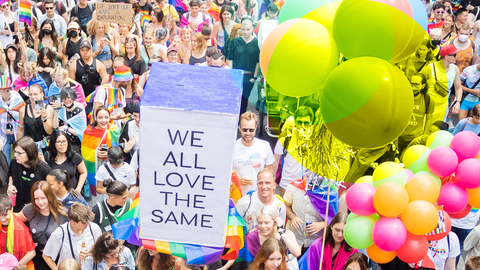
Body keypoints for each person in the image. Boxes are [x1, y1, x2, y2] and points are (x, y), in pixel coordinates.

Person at [16, 181, 69, 270]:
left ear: (50, 196)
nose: (40, 202)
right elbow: (12, 219)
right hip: (37, 259)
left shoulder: (62, 214)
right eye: (36, 198)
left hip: (56, 258)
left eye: (43, 198)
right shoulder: (30, 210)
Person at [42, 203, 102, 269]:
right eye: (84, 222)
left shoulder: (94, 228)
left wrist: (91, 253)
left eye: (88, 221)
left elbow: (102, 251)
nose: (88, 224)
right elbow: (47, 256)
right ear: (73, 222)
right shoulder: (60, 233)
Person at [273, 106, 315, 196]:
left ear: (311, 123)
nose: (303, 126)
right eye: (300, 122)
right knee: (284, 210)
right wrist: (271, 183)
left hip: (306, 187)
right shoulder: (285, 137)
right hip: (286, 186)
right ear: (295, 122)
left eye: (306, 123)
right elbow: (275, 161)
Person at [81, 106, 121, 198]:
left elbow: (119, 149)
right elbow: (84, 152)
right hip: (96, 168)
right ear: (95, 117)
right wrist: (95, 154)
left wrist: (110, 154)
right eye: (100, 118)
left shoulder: (115, 130)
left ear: (109, 117)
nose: (103, 120)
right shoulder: (88, 131)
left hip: (112, 167)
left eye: (106, 117)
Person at [284, 176, 327, 257]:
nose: (315, 176)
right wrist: (292, 216)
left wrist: (323, 224)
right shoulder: (293, 187)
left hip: (315, 243)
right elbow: (285, 206)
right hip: (293, 240)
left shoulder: (329, 193)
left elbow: (335, 218)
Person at [233, 112, 274, 194]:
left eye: (251, 130)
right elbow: (225, 174)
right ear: (239, 128)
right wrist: (238, 180)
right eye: (245, 130)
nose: (248, 133)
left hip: (259, 197)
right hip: (238, 197)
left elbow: (270, 175)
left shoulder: (265, 146)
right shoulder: (232, 148)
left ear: (256, 127)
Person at [6, 136, 51, 212]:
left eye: (19, 153)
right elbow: (10, 174)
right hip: (17, 206)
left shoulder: (44, 169)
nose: (15, 155)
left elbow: (51, 191)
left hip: (36, 209)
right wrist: (10, 185)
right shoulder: (15, 162)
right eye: (15, 152)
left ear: (29, 153)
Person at [227, 17, 259, 114]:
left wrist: (254, 77)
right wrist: (231, 75)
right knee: (235, 99)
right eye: (244, 29)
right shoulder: (235, 42)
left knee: (244, 100)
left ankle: (241, 119)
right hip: (237, 76)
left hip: (249, 77)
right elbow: (230, 59)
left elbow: (258, 62)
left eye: (248, 29)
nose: (245, 32)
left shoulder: (256, 43)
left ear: (252, 28)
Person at [423, 44, 462, 123]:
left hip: (443, 106)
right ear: (447, 57)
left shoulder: (455, 69)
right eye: (454, 55)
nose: (456, 57)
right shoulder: (430, 68)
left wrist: (458, 102)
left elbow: (458, 88)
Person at [397, 73, 435, 154]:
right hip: (398, 137)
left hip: (414, 139)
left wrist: (423, 136)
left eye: (417, 84)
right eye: (411, 83)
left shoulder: (427, 99)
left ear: (423, 86)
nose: (413, 87)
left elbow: (429, 119)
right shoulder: (402, 96)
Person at [0, 194, 36, 268]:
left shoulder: (22, 229)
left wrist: (14, 266)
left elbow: (31, 253)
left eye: (5, 215)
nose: (2, 219)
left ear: (11, 210)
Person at [17, 84, 54, 151]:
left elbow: (50, 132)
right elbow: (20, 129)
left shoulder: (48, 108)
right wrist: (18, 146)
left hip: (45, 146)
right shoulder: (23, 110)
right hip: (29, 146)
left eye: (35, 94)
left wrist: (44, 119)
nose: (33, 97)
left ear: (42, 94)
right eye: (30, 94)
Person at [0, 76, 26, 165]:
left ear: (10, 89)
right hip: (4, 135)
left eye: (6, 89)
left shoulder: (16, 97)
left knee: (19, 159)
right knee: (6, 161)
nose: (4, 92)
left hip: (17, 132)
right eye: (2, 90)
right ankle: (7, 178)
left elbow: (24, 111)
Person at [53, 87, 87, 153]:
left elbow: (81, 133)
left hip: (75, 145)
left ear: (73, 97)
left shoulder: (79, 111)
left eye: (69, 97)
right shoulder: (61, 110)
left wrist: (66, 128)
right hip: (62, 144)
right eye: (64, 98)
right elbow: (55, 126)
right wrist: (56, 112)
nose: (67, 100)